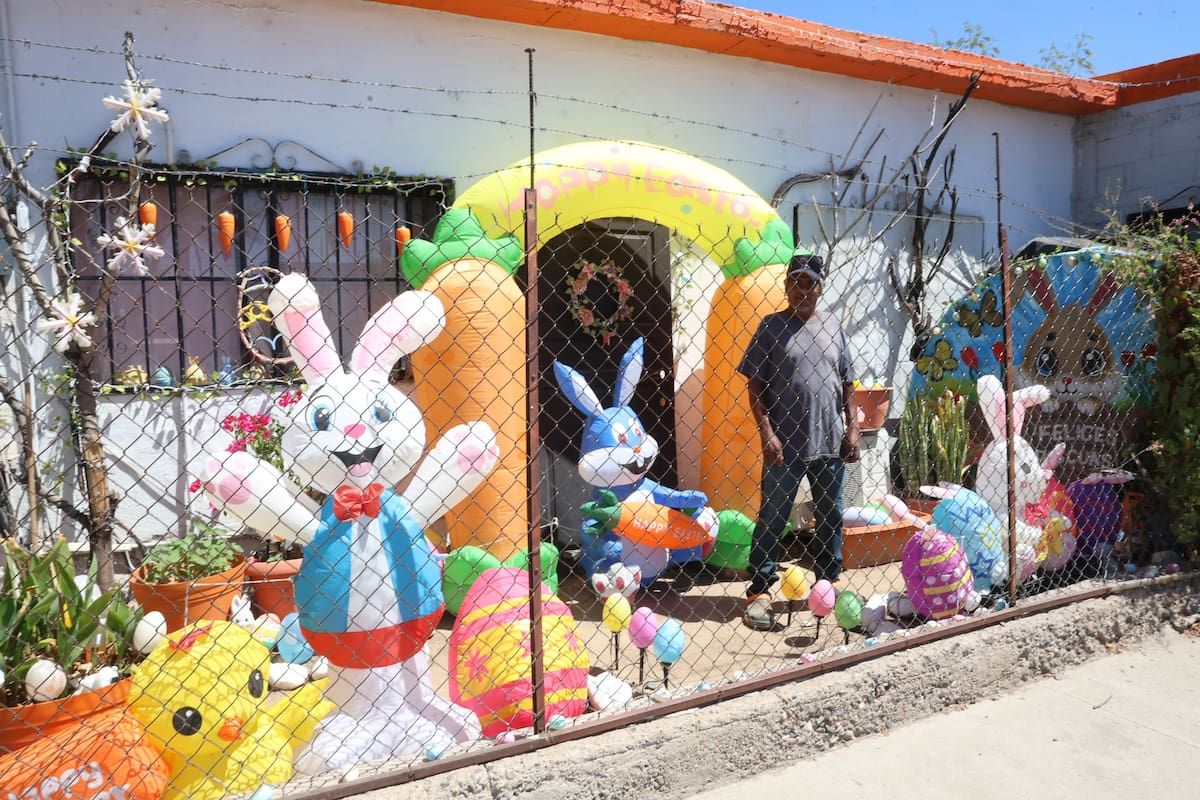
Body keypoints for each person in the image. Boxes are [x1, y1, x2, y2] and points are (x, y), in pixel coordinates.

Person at [736, 252, 860, 631]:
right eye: (796, 282)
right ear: (786, 286)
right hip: (784, 446)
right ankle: (760, 591)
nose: (802, 290)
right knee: (773, 517)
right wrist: (767, 433)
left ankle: (828, 581)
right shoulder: (770, 327)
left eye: (810, 283)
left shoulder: (834, 328)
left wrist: (853, 427)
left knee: (831, 516)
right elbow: (754, 386)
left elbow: (847, 384)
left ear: (821, 288)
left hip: (829, 443)